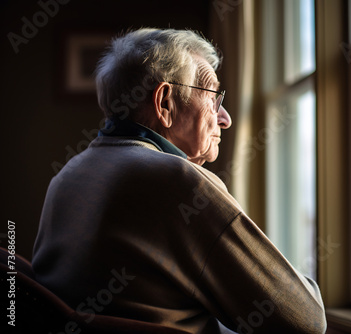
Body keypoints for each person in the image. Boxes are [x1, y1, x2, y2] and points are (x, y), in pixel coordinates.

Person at [32, 28, 327, 333]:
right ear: (165, 103)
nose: (225, 118)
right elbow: (306, 321)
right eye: (214, 97)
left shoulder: (67, 174)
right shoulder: (180, 181)